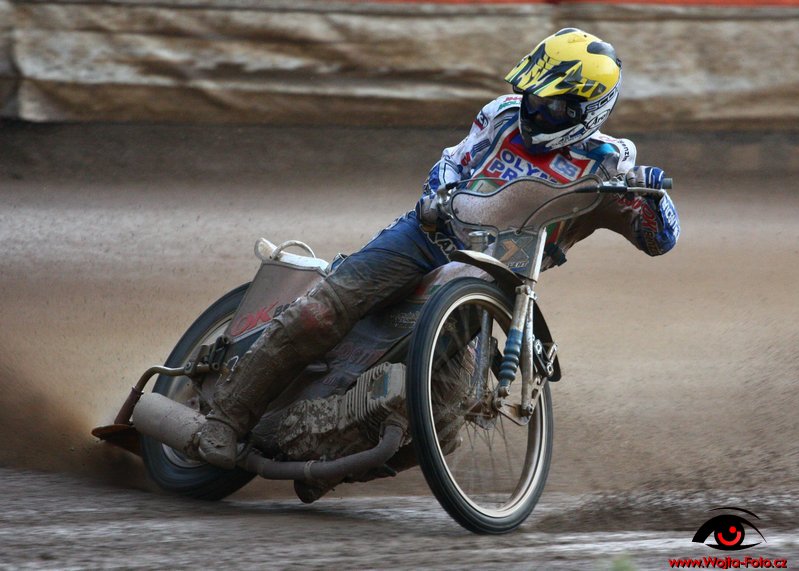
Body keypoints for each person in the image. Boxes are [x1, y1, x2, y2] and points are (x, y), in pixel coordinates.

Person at [196, 27, 681, 470]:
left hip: (487, 282)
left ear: (586, 111)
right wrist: (438, 194)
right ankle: (225, 419)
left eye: (551, 105)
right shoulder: (501, 114)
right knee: (319, 314)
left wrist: (653, 197)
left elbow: (660, 241)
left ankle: (332, 462)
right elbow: (452, 161)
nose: (534, 110)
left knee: (443, 420)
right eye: (532, 96)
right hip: (426, 237)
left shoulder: (610, 165)